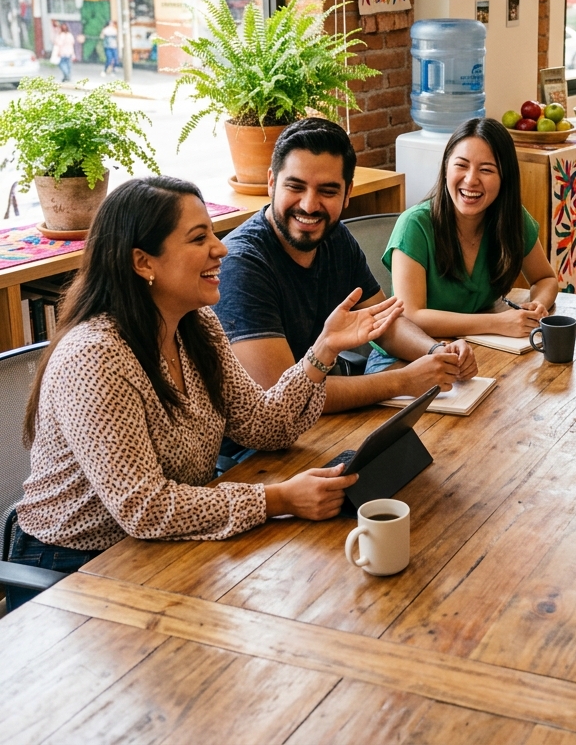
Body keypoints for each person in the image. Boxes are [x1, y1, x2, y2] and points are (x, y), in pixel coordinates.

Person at [9, 176, 400, 611]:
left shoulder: (198, 325)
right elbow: (144, 507)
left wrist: (323, 350)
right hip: (74, 564)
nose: (222, 248)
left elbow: (262, 425)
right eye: (199, 238)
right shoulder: (95, 356)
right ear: (143, 262)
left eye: (213, 232)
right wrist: (279, 499)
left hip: (167, 545)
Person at [214, 118, 477, 412]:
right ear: (272, 182)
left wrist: (438, 352)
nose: (309, 205)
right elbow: (282, 396)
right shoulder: (242, 264)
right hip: (255, 449)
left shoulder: (335, 237)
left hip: (322, 421)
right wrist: (403, 381)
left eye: (327, 191)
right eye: (295, 186)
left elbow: (383, 323)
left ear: (347, 193)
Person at [385, 117, 559, 339]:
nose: (471, 180)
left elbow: (545, 279)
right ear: (446, 167)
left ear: (505, 178)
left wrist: (537, 305)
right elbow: (410, 315)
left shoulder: (512, 219)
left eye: (486, 170)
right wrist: (497, 323)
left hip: (477, 346)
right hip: (408, 356)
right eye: (461, 165)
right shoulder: (415, 225)